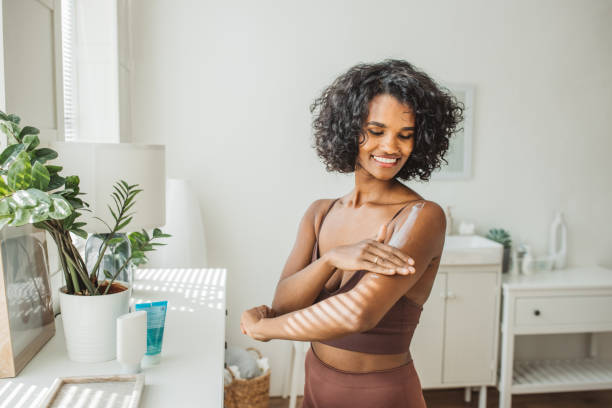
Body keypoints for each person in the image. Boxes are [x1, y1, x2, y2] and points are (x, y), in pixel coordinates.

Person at [241, 59, 464, 407]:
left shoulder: (421, 216)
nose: (391, 147)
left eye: (404, 135)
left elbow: (358, 314)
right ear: (349, 129)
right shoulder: (320, 213)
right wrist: (330, 259)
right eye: (376, 131)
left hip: (381, 395)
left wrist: (261, 329)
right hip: (315, 382)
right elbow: (285, 303)